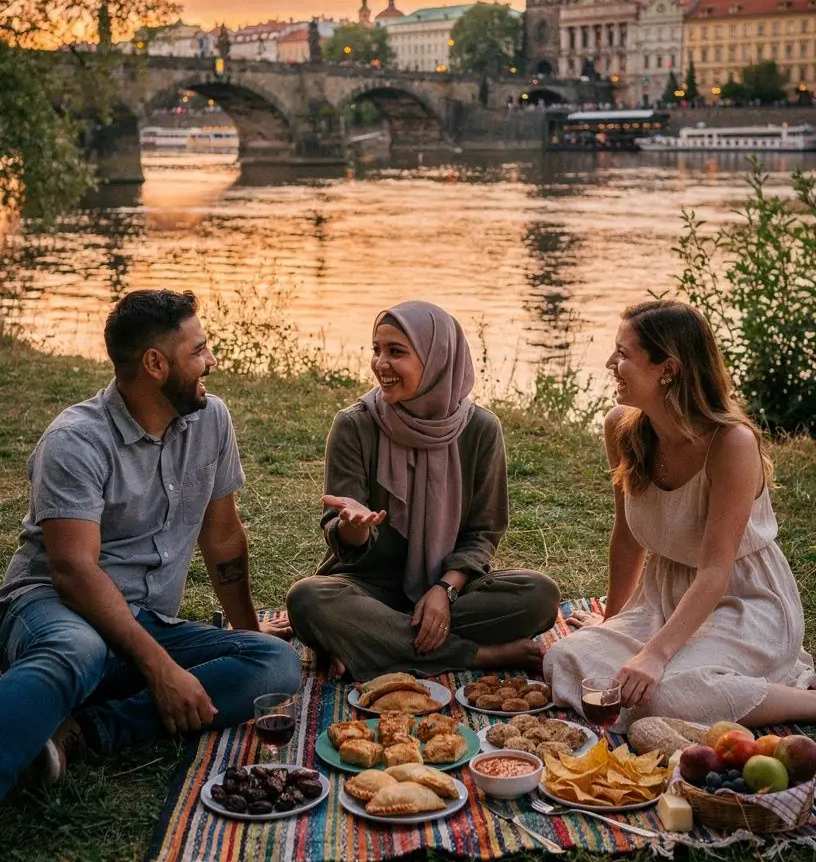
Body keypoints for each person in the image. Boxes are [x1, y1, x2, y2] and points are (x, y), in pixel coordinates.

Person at [0, 289, 300, 803]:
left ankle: (79, 731)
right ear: (156, 364)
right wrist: (161, 670)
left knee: (276, 664)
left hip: (145, 621)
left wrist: (248, 634)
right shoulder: (75, 441)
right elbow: (73, 572)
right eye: (198, 351)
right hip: (56, 607)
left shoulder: (212, 420)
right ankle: (45, 690)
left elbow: (222, 536)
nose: (211, 361)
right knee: (80, 648)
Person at [544, 299, 815, 728]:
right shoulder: (622, 427)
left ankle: (803, 699)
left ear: (667, 370)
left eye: (623, 354)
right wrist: (612, 622)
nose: (611, 363)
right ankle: (715, 677)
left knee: (667, 695)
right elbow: (627, 537)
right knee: (565, 658)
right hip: (663, 596)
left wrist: (654, 653)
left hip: (743, 602)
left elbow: (715, 571)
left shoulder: (731, 444)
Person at [286, 301, 559, 680]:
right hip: (367, 589)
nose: (381, 363)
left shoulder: (481, 429)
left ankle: (371, 644)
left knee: (539, 595)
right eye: (376, 349)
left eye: (396, 352)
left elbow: (484, 532)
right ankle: (479, 655)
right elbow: (341, 537)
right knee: (308, 600)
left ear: (437, 358)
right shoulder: (354, 426)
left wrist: (444, 590)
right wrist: (355, 527)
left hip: (454, 589)